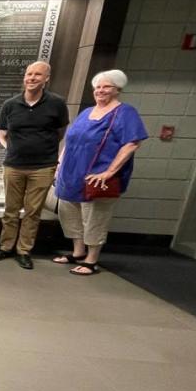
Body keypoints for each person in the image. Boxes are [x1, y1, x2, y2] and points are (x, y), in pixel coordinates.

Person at [53, 69, 147, 275]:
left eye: (106, 87)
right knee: (69, 213)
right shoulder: (87, 112)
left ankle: (92, 259)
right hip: (71, 173)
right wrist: (59, 164)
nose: (101, 91)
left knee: (94, 217)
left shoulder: (125, 113)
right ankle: (78, 252)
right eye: (98, 87)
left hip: (97, 176)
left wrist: (109, 172)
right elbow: (71, 140)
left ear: (117, 89)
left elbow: (132, 143)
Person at [0, 60, 69, 269]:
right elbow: (2, 130)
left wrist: (43, 149)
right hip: (14, 165)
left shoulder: (57, 103)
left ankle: (23, 250)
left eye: (37, 75)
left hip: (43, 166)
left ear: (46, 79)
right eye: (29, 74)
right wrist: (10, 147)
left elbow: (61, 132)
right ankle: (5, 247)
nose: (32, 78)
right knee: (11, 210)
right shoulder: (11, 104)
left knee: (33, 211)